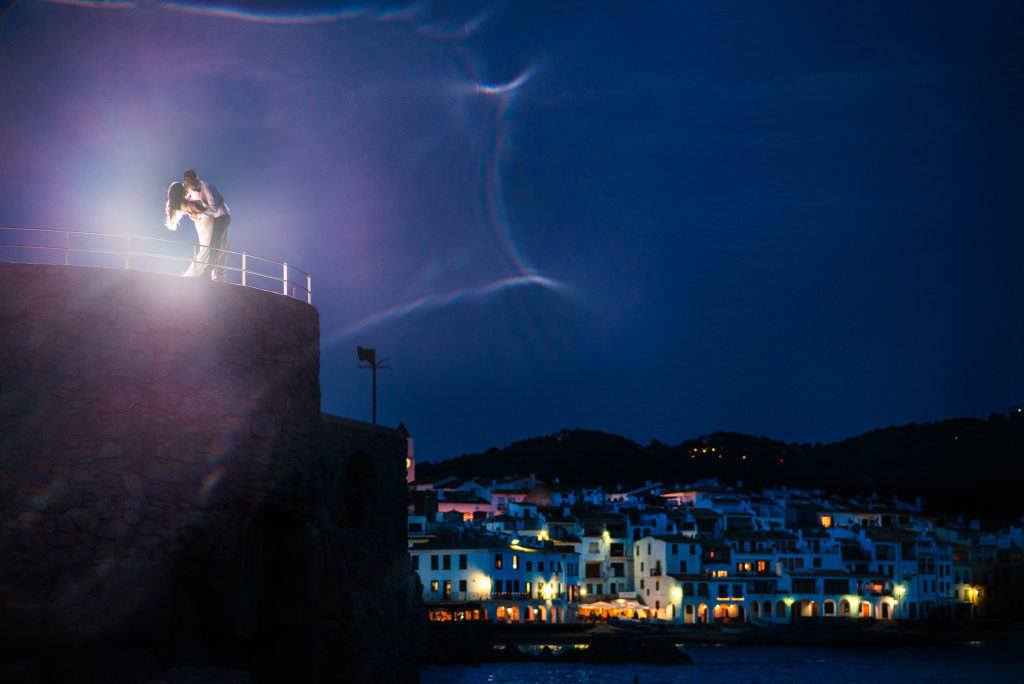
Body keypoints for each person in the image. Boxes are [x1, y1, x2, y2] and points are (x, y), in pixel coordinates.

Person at [182, 168, 231, 281]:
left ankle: (208, 272)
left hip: (222, 217)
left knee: (215, 243)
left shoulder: (208, 188)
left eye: (189, 182)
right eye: (186, 183)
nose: (187, 185)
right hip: (213, 218)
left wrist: (199, 215)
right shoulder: (191, 190)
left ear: (196, 179)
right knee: (221, 244)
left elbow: (213, 209)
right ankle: (219, 275)